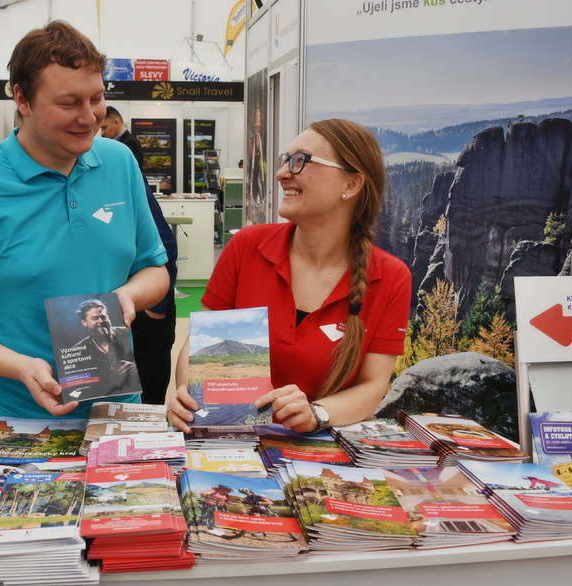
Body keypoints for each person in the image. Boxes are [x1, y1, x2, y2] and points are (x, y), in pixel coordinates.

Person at [0, 20, 169, 423]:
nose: (89, 117)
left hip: (117, 415)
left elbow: (154, 268)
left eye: (97, 98)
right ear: (23, 99)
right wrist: (19, 366)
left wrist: (129, 297)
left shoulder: (119, 164)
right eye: (69, 103)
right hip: (17, 426)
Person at [168, 119, 412, 435]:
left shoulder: (390, 277)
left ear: (351, 185)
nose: (283, 173)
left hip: (320, 456)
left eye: (301, 162)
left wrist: (316, 414)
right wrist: (191, 396)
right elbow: (199, 348)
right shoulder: (246, 246)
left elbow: (374, 385)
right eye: (286, 160)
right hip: (231, 440)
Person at [100, 110, 179, 405]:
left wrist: (156, 305)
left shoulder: (118, 167)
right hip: (107, 320)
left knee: (147, 400)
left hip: (143, 312)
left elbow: (164, 244)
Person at [74, 298, 138, 394]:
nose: (101, 321)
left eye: (104, 317)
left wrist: (135, 368)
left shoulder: (124, 332)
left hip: (129, 395)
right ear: (84, 322)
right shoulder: (78, 349)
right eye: (95, 318)